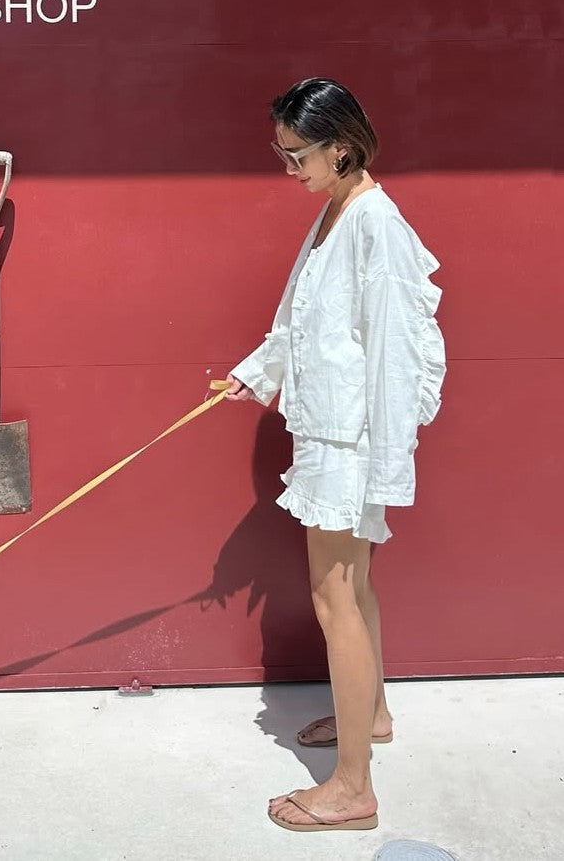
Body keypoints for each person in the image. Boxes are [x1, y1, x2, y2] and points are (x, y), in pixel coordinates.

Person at [226, 77, 446, 834]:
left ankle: (353, 789)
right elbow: (300, 323)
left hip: (349, 443)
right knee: (356, 588)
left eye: (298, 153)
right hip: (328, 433)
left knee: (334, 598)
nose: (289, 167)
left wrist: (385, 466)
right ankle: (372, 715)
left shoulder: (374, 222)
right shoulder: (335, 211)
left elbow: (397, 352)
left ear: (342, 147)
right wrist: (254, 374)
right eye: (282, 151)